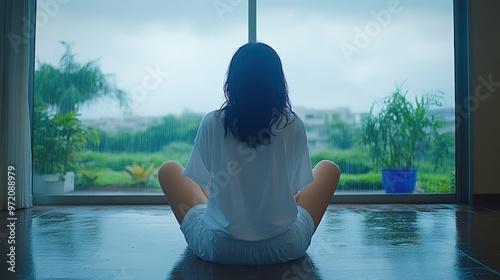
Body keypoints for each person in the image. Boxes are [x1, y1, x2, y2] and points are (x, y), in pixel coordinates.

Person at [158, 42, 340, 265]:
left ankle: (226, 210)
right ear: (278, 82)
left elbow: (204, 185)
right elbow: (295, 189)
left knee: (168, 170)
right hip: (284, 248)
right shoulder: (292, 124)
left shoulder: (212, 122)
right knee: (329, 169)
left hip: (220, 250)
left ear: (231, 82)